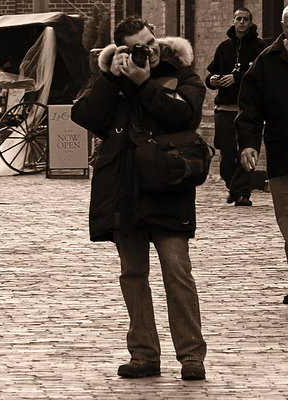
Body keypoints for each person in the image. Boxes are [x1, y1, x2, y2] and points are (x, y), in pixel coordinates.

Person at [71, 16, 207, 380]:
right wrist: (112, 78)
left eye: (150, 42)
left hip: (168, 189)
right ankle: (144, 354)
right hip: (124, 193)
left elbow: (184, 115)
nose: (148, 50)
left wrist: (144, 83)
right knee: (133, 275)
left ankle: (191, 356)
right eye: (137, 47)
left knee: (178, 273)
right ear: (121, 50)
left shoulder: (183, 74)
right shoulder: (114, 81)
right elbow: (85, 115)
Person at [236, 1, 288, 305]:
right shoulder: (267, 62)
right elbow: (250, 109)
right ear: (283, 28)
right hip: (282, 151)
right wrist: (249, 143)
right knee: (287, 218)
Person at [206, 8, 267, 206]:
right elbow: (211, 73)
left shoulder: (260, 47)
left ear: (251, 22)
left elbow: (263, 76)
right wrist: (213, 80)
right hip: (225, 108)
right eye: (238, 19)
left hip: (249, 110)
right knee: (227, 155)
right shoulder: (224, 47)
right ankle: (234, 187)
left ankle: (242, 194)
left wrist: (237, 77)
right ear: (233, 21)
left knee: (247, 151)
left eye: (245, 19)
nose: (241, 22)